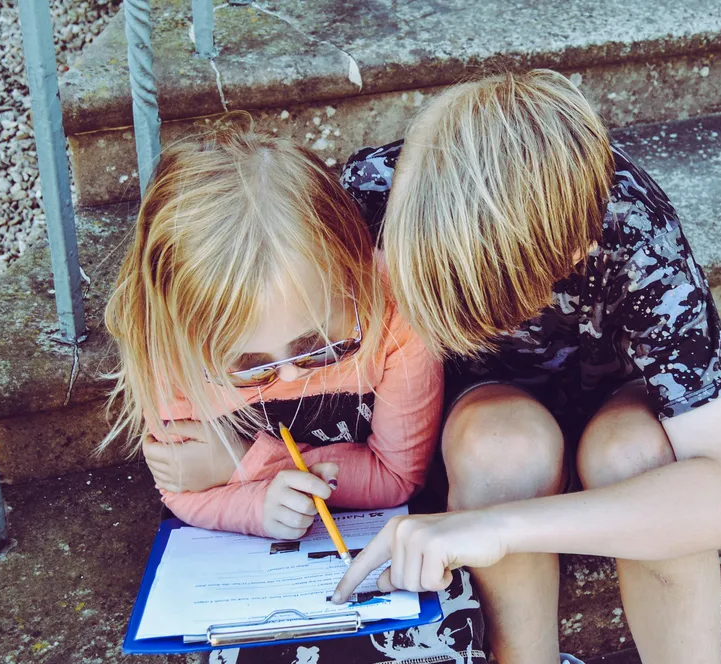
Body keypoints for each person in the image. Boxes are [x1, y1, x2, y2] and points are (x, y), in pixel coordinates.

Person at [335, 70, 721, 664]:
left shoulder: (632, 230)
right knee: (502, 448)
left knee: (636, 455)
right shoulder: (373, 195)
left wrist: (504, 527)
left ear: (573, 250)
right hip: (483, 417)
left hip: (616, 400)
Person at [101, 130, 486, 663]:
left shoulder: (397, 314)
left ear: (354, 273)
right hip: (257, 572)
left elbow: (398, 476)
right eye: (247, 368)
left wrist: (244, 460)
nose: (291, 374)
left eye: (319, 346)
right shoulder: (168, 349)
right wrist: (259, 504)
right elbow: (182, 489)